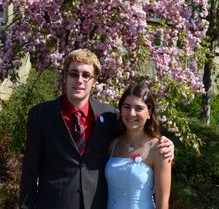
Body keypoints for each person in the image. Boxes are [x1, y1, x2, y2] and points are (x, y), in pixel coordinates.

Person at [19, 48, 174, 209]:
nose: (80, 80)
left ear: (94, 82)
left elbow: (136, 138)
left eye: (86, 75)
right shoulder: (41, 115)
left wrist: (166, 145)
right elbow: (29, 172)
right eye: (74, 74)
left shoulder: (109, 116)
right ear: (65, 77)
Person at [105, 82, 172, 209]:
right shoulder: (113, 144)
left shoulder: (159, 149)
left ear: (149, 112)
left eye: (138, 108)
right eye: (126, 107)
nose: (131, 113)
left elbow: (162, 203)